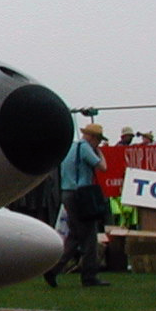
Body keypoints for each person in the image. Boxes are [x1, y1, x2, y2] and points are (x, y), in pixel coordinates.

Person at [45, 123, 109, 288]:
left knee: (74, 235)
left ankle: (54, 268)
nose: (99, 143)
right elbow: (103, 167)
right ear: (93, 137)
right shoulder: (86, 148)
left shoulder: (71, 148)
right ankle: (89, 276)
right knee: (89, 236)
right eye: (99, 140)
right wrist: (100, 153)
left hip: (67, 193)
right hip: (81, 195)